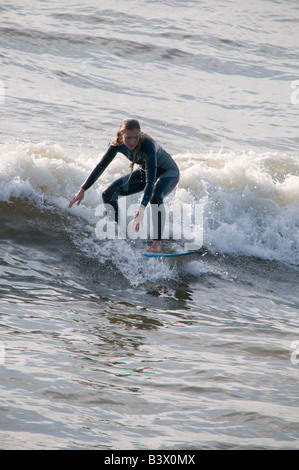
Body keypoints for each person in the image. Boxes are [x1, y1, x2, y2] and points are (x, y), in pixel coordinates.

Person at [69, 118, 179, 252]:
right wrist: (83, 189)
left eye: (135, 137)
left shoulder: (147, 145)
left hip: (168, 172)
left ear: (140, 134)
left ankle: (157, 244)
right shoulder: (116, 144)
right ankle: (118, 234)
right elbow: (101, 166)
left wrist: (142, 208)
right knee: (109, 194)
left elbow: (150, 182)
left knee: (155, 197)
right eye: (128, 138)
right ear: (120, 135)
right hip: (146, 171)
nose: (132, 142)